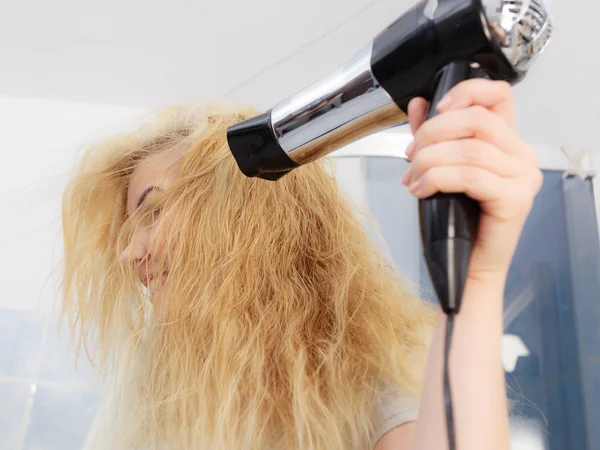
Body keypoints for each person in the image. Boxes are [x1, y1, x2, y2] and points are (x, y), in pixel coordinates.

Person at [61, 79, 542, 450]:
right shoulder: (157, 392)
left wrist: (476, 279)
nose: (129, 254)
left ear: (242, 215)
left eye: (154, 210)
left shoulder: (376, 360)